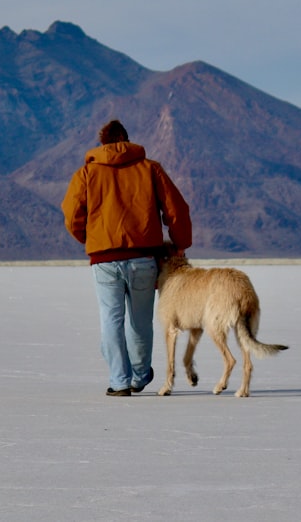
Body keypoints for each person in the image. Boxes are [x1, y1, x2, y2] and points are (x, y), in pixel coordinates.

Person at [61, 119, 192, 396]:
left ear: (103, 143)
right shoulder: (150, 169)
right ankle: (140, 375)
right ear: (127, 140)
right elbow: (176, 209)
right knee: (140, 321)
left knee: (111, 319)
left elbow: (72, 214)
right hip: (144, 258)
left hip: (104, 260)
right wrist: (181, 244)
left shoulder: (87, 173)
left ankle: (119, 381)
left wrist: (90, 238)